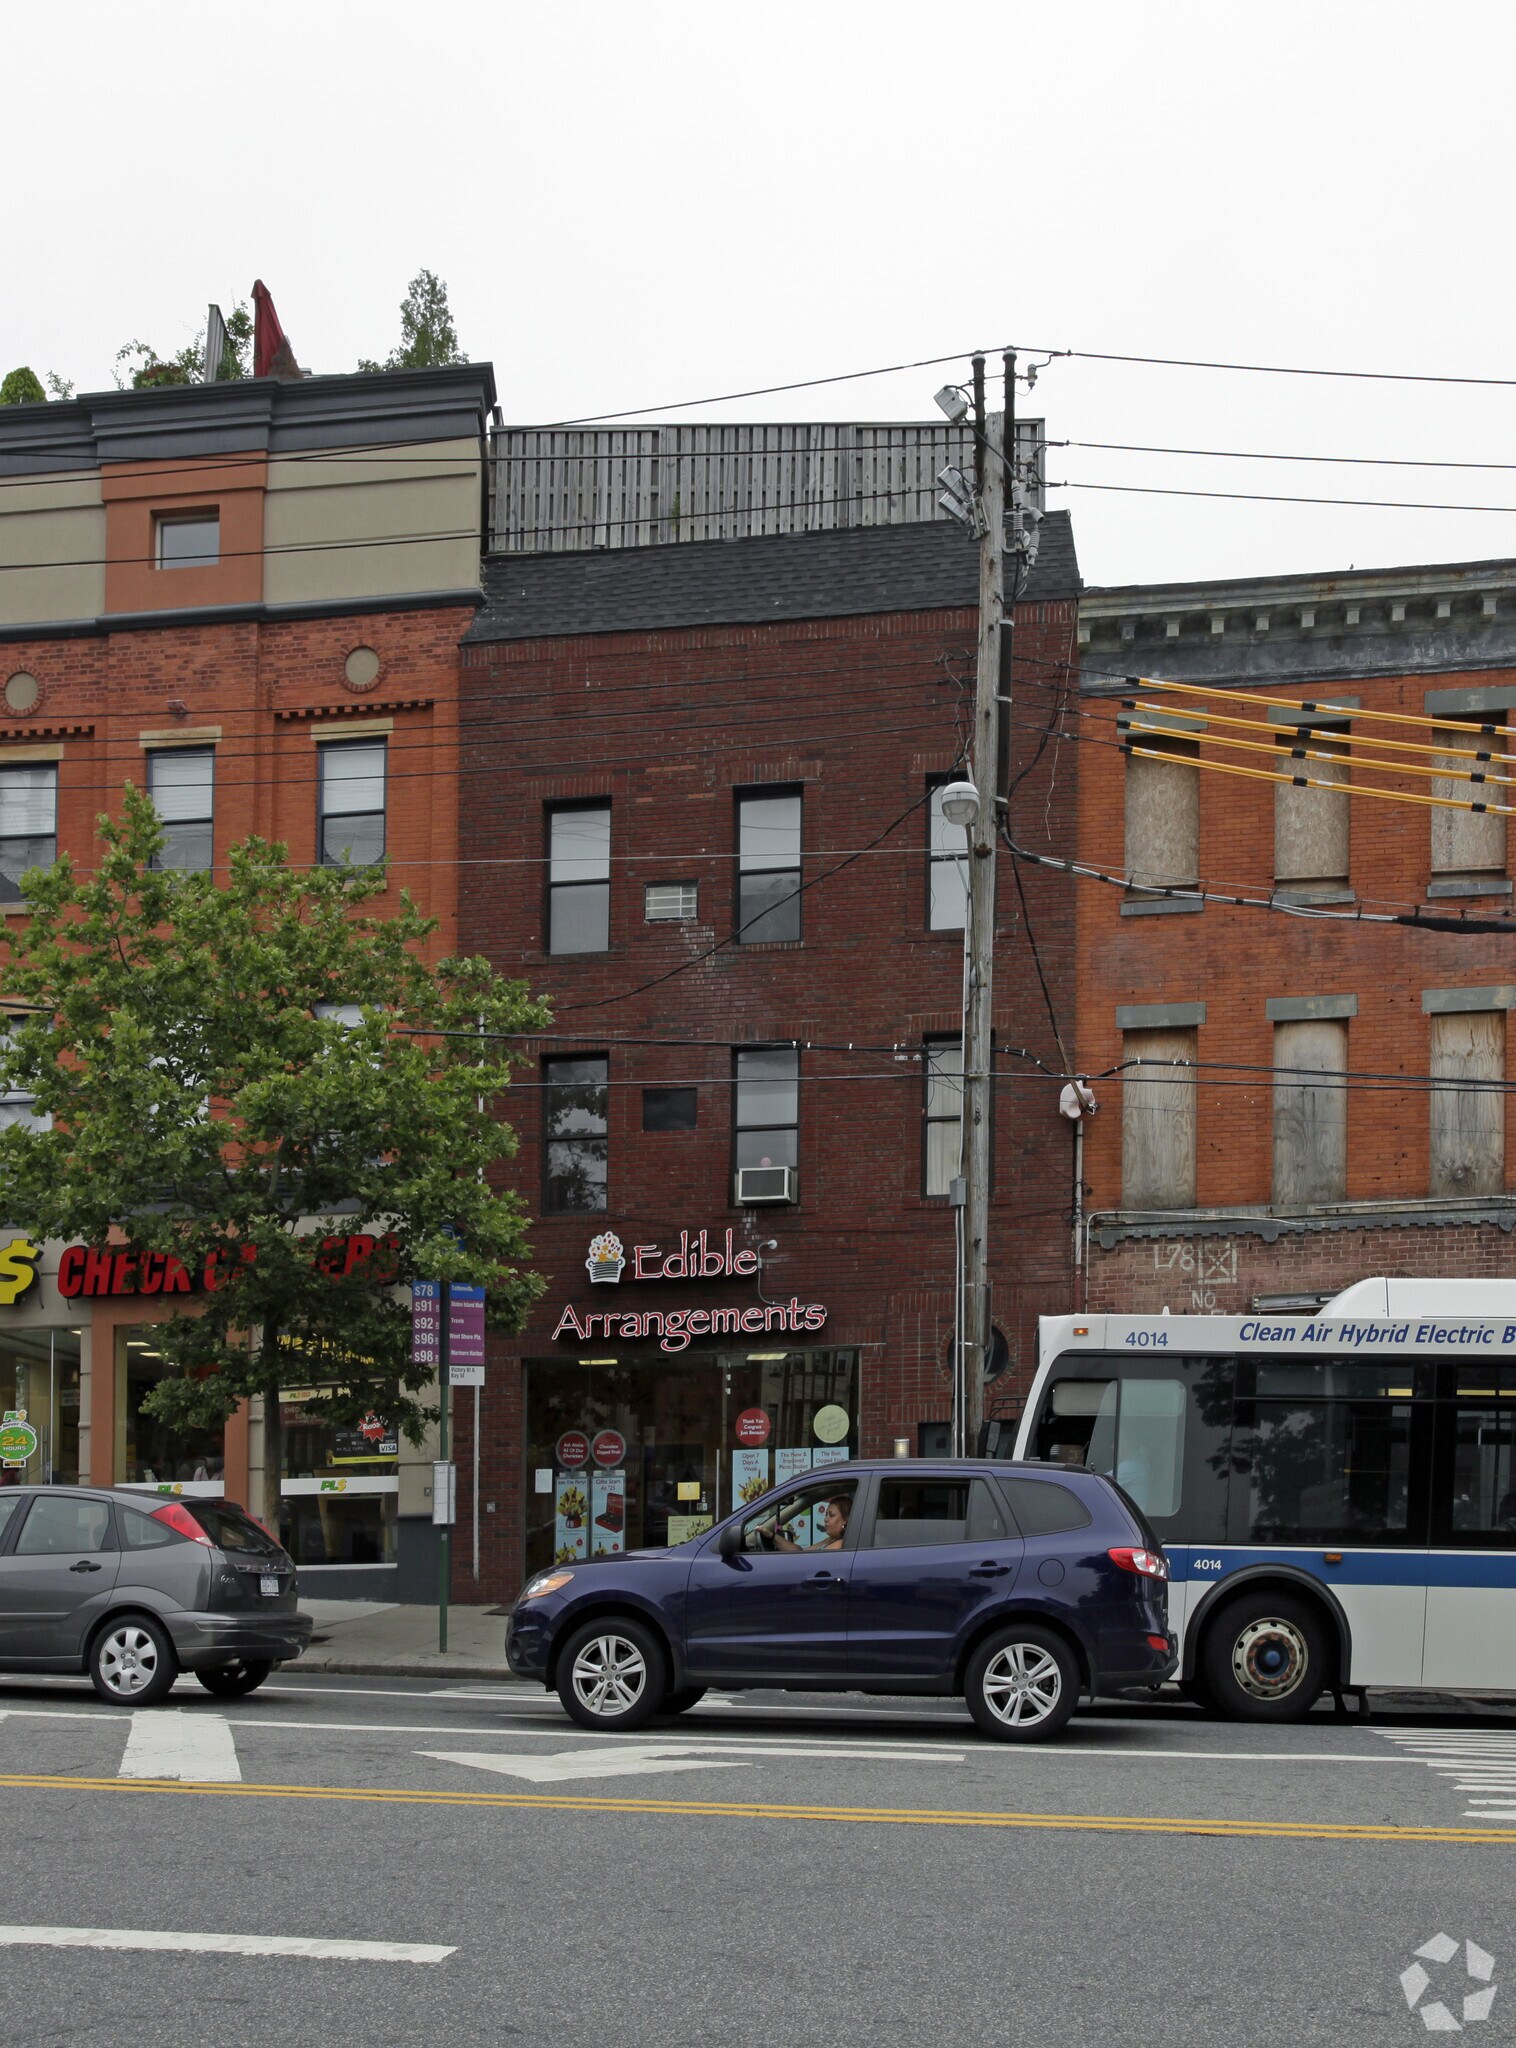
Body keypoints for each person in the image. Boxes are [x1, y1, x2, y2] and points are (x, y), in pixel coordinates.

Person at [773, 1493, 850, 1553]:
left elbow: (805, 1559)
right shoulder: (831, 1539)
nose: (825, 1519)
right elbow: (801, 1552)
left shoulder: (840, 1544)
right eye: (826, 1515)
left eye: (831, 1515)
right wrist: (772, 1536)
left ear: (845, 1520)